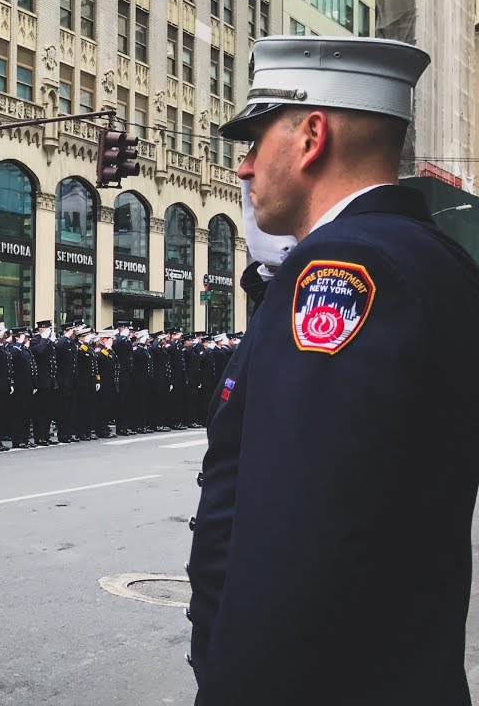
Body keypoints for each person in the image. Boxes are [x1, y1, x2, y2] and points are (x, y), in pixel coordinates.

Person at [187, 36, 479, 705]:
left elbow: (297, 550)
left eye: (256, 139)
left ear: (312, 135)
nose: (243, 166)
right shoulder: (440, 262)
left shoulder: (342, 270)